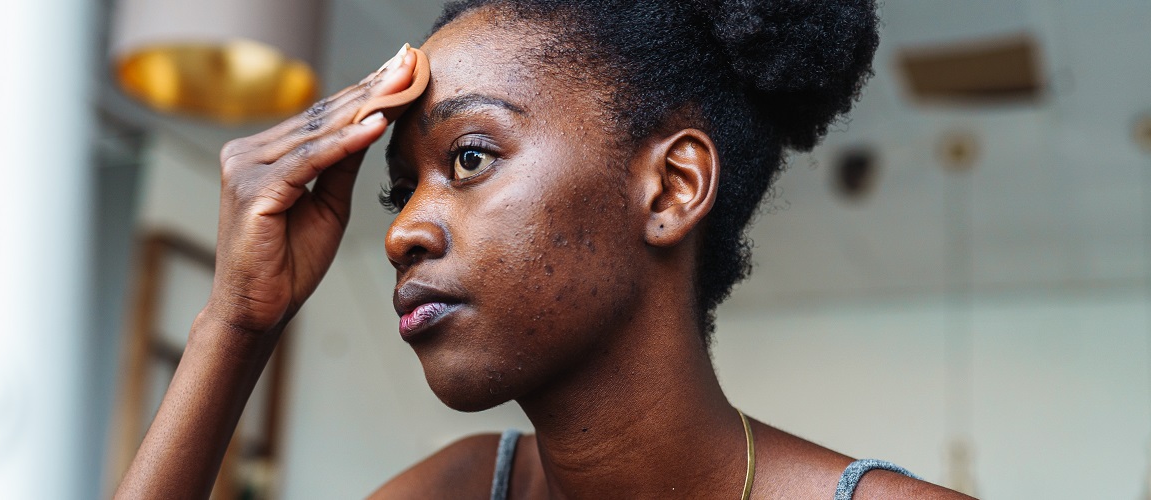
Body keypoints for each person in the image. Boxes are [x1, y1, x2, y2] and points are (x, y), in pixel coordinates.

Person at [116, 0, 974, 498]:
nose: (402, 231)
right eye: (401, 184)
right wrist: (236, 324)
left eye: (470, 158)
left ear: (671, 188)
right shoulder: (453, 492)